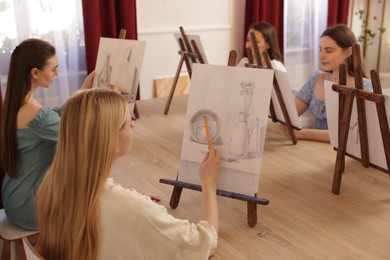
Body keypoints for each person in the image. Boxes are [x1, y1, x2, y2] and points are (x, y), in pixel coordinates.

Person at [35, 89, 221, 259]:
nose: (133, 124)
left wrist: (128, 201)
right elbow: (204, 243)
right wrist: (208, 183)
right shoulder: (133, 210)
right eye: (127, 122)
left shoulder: (52, 186)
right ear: (110, 141)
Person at [0, 38, 95, 230]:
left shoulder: (18, 103)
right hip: (28, 205)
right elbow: (77, 135)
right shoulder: (34, 112)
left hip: (14, 196)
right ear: (35, 73)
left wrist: (83, 91)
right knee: (93, 200)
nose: (56, 73)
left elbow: (56, 115)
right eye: (53, 69)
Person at [287, 24, 373, 142]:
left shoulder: (365, 88)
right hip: (313, 148)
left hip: (343, 156)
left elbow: (351, 135)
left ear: (348, 52)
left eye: (328, 51)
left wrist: (304, 133)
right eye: (320, 49)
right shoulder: (317, 78)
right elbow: (290, 113)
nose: (321, 56)